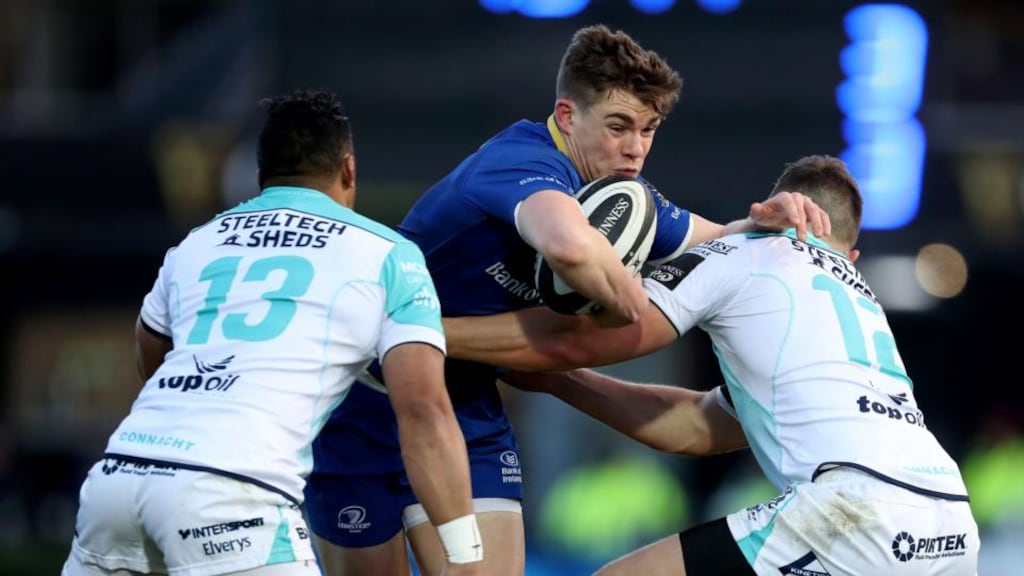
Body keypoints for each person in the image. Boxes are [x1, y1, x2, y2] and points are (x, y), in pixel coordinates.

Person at [303, 25, 830, 576]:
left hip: (465, 404)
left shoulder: (624, 196)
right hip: (365, 400)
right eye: (619, 126)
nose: (635, 148)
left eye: (648, 130)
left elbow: (716, 235)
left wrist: (766, 221)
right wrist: (625, 300)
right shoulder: (519, 160)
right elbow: (567, 246)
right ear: (567, 115)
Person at [442, 154, 980, 575]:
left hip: (857, 509)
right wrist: (564, 384)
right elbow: (700, 427)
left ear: (772, 209)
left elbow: (582, 340)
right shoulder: (862, 304)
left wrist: (429, 332)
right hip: (952, 520)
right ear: (851, 253)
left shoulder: (745, 251)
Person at [61, 89, 484, 576]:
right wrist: (464, 556)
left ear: (261, 175)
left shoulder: (196, 243)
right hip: (233, 496)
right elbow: (424, 411)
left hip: (118, 481)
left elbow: (150, 349)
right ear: (348, 169)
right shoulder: (388, 255)